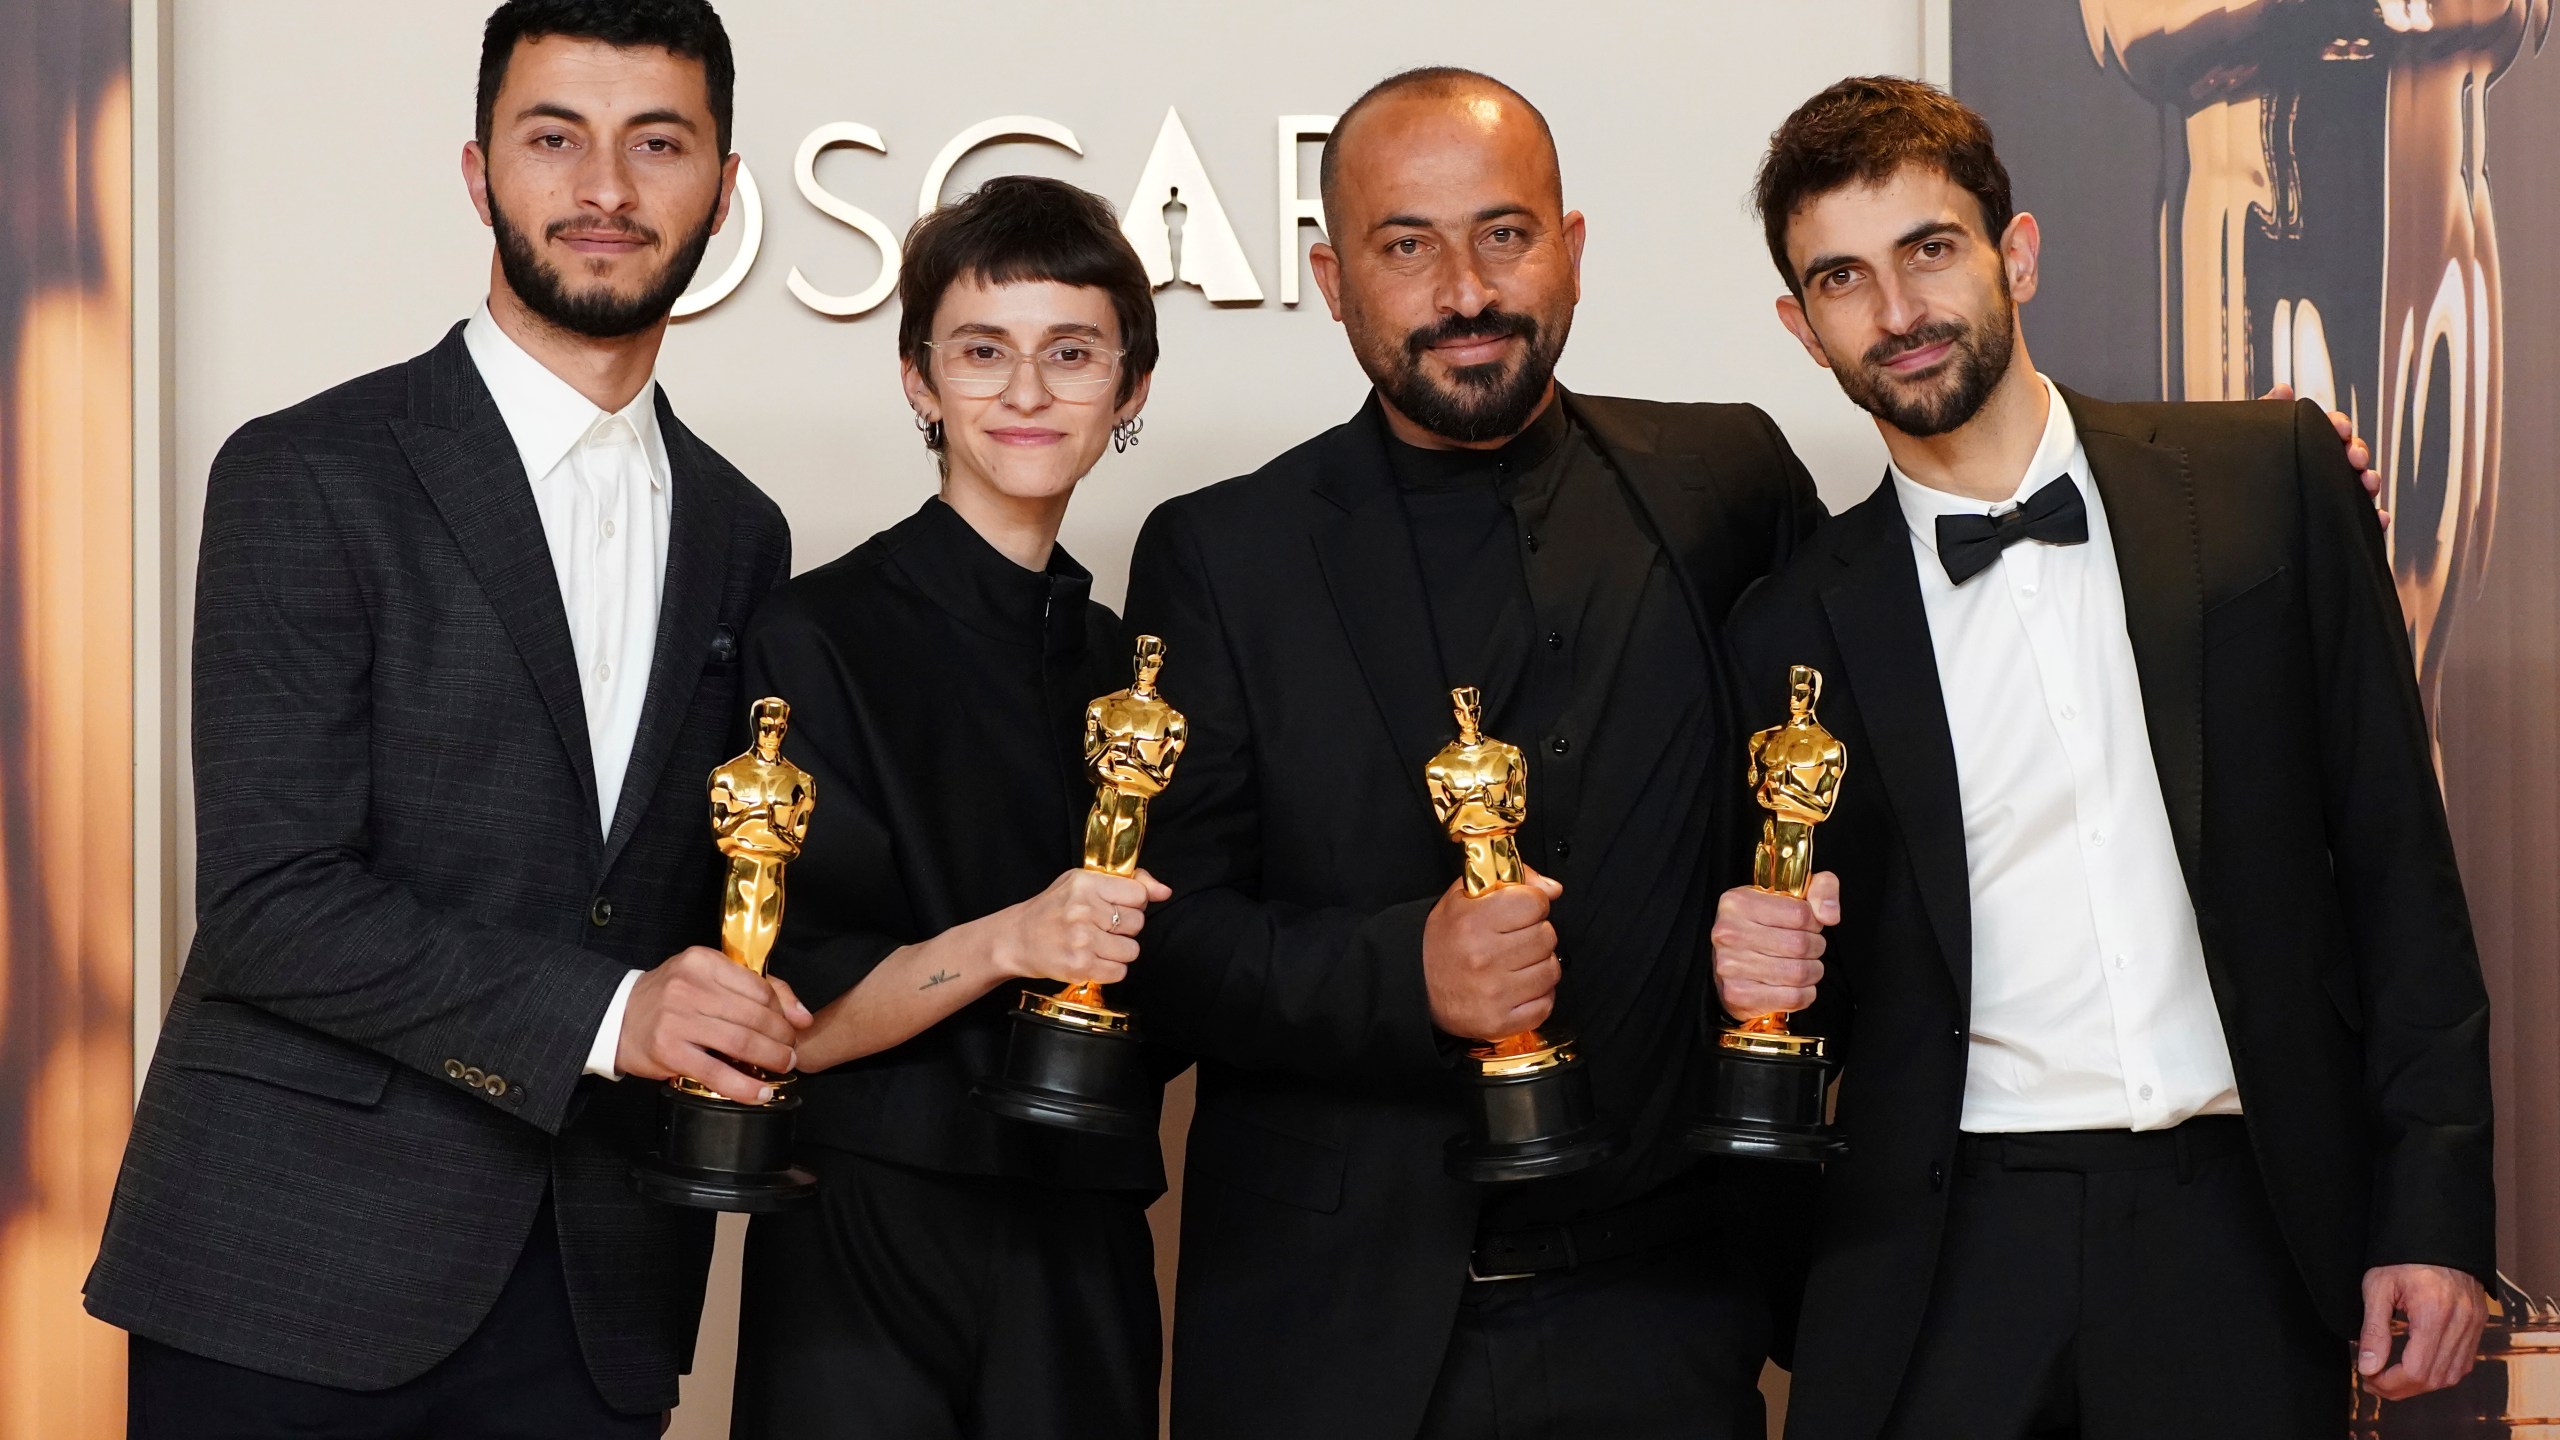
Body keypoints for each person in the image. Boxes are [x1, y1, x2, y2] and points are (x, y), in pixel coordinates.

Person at [1709, 76, 2495, 1440]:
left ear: (2017, 253)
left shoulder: (2270, 480)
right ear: (1801, 325)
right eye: (1843, 277)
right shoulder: (1785, 623)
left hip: (2238, 1228)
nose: (1896, 313)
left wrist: (2431, 1208)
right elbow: (1795, 970)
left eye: (1930, 250)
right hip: (1934, 1253)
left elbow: (2396, 871)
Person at [84, 3, 803, 1435]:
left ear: (725, 189)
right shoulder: (310, 473)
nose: (605, 188)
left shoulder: (743, 530)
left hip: (597, 1300)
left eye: (657, 143)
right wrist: (618, 1014)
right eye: (557, 139)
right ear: (480, 173)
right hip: (287, 1285)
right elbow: (271, 904)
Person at [1119, 67, 1829, 1440]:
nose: (1464, 290)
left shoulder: (1728, 486)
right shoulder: (1223, 557)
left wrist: (2255, 481)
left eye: (1504, 234)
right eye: (1407, 245)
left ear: (1571, 249)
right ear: (1332, 278)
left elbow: (1888, 722)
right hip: (1332, 1346)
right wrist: (1408, 973)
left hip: (1667, 1325)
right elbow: (1168, 948)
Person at [726, 175, 1170, 1440]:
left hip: (1083, 1228)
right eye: (984, 351)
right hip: (869, 1231)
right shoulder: (816, 637)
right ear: (920, 380)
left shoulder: (1123, 665)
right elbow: (791, 1023)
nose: (1026, 393)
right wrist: (1013, 942)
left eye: (1070, 353)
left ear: (1129, 388)